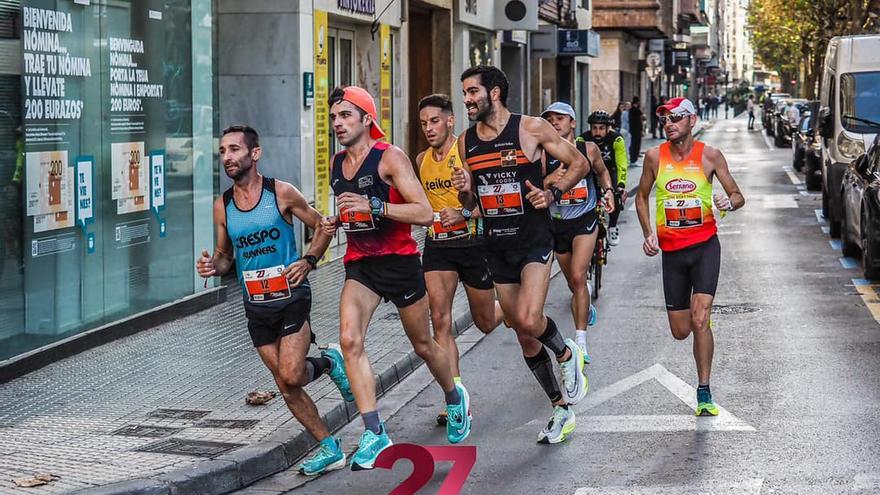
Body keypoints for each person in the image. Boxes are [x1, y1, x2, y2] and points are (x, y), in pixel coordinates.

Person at [320, 86, 469, 471]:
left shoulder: (390, 158)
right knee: (350, 341)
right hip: (361, 265)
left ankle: (455, 397)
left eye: (346, 116)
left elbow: (423, 213)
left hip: (400, 263)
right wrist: (334, 221)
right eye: (334, 117)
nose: (338, 123)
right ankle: (374, 431)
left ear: (367, 120)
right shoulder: (338, 163)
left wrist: (376, 205)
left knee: (423, 345)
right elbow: (350, 210)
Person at [196, 125, 354, 476]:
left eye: (234, 149)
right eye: (222, 151)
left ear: (255, 153)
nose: (227, 157)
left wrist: (309, 261)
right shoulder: (222, 206)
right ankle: (329, 447)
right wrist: (212, 266)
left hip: (291, 296)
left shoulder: (281, 193)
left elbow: (322, 226)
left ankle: (329, 362)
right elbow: (226, 257)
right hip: (255, 305)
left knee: (291, 373)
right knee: (286, 386)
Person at [453, 65, 589, 444]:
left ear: (494, 93)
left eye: (472, 92)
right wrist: (465, 190)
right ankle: (560, 409)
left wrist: (553, 193)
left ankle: (567, 355)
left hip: (533, 239)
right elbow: (470, 200)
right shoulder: (465, 142)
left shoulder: (530, 128)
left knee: (530, 319)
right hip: (496, 244)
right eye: (464, 93)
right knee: (522, 334)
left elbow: (579, 163)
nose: (467, 100)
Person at [634, 97, 745, 417]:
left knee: (700, 318)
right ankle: (698, 323)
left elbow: (738, 195)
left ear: (692, 120)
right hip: (672, 253)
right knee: (680, 329)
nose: (668, 123)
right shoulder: (654, 157)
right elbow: (641, 197)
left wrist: (728, 202)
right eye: (665, 119)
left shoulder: (710, 156)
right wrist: (648, 233)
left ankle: (704, 390)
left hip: (705, 246)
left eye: (676, 118)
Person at [414, 93, 504, 426]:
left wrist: (464, 212)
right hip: (438, 247)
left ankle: (509, 308)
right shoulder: (421, 159)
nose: (429, 128)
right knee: (440, 320)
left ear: (450, 120)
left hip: (473, 243)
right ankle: (455, 397)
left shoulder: (467, 152)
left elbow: (494, 200)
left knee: (483, 322)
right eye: (424, 123)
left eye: (435, 121)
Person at [541, 101, 615, 362]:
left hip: (584, 220)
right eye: (549, 119)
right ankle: (583, 303)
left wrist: (608, 191)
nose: (554, 123)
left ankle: (581, 341)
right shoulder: (541, 153)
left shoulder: (588, 149)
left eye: (560, 118)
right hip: (557, 223)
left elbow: (603, 172)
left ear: (573, 122)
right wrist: (550, 179)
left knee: (577, 273)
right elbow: (536, 185)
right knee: (575, 283)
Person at [580, 110, 629, 247]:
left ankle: (612, 227)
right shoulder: (582, 139)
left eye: (601, 128)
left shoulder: (616, 139)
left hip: (610, 171)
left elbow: (622, 164)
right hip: (590, 173)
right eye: (594, 128)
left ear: (608, 128)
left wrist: (621, 184)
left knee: (615, 196)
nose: (597, 132)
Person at [628, 97, 645, 166]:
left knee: (633, 145)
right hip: (637, 130)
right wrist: (641, 130)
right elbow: (641, 119)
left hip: (633, 130)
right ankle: (633, 160)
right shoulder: (636, 110)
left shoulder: (631, 110)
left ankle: (633, 160)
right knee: (636, 145)